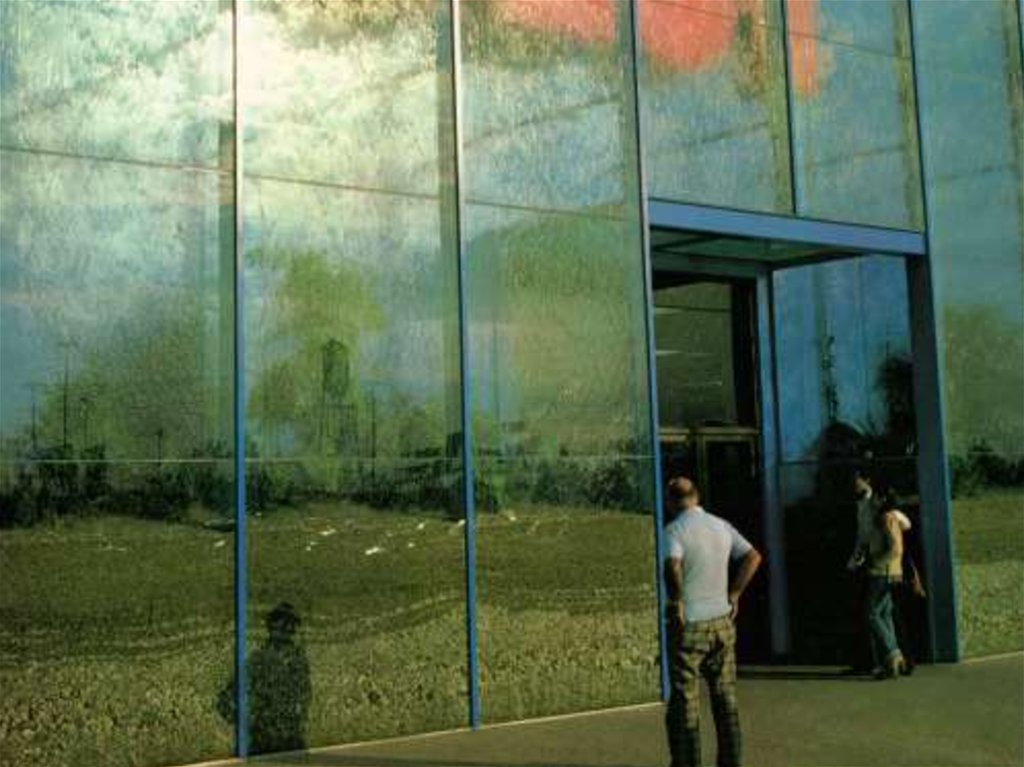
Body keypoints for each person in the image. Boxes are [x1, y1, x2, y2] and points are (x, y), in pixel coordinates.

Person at [662, 476, 762, 767]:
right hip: (722, 620)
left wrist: (678, 599)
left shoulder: (673, 530)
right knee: (725, 698)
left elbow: (673, 565)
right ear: (696, 496)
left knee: (686, 702)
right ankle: (731, 762)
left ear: (671, 501)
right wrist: (735, 593)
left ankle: (687, 762)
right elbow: (753, 557)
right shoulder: (721, 526)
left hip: (690, 624)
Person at [863, 483, 910, 680]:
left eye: (876, 496)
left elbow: (896, 548)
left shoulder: (886, 518)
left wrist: (876, 562)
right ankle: (895, 658)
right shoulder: (892, 517)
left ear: (882, 499)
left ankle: (892, 653)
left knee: (872, 614)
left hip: (882, 573)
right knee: (884, 614)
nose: (873, 499)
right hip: (892, 573)